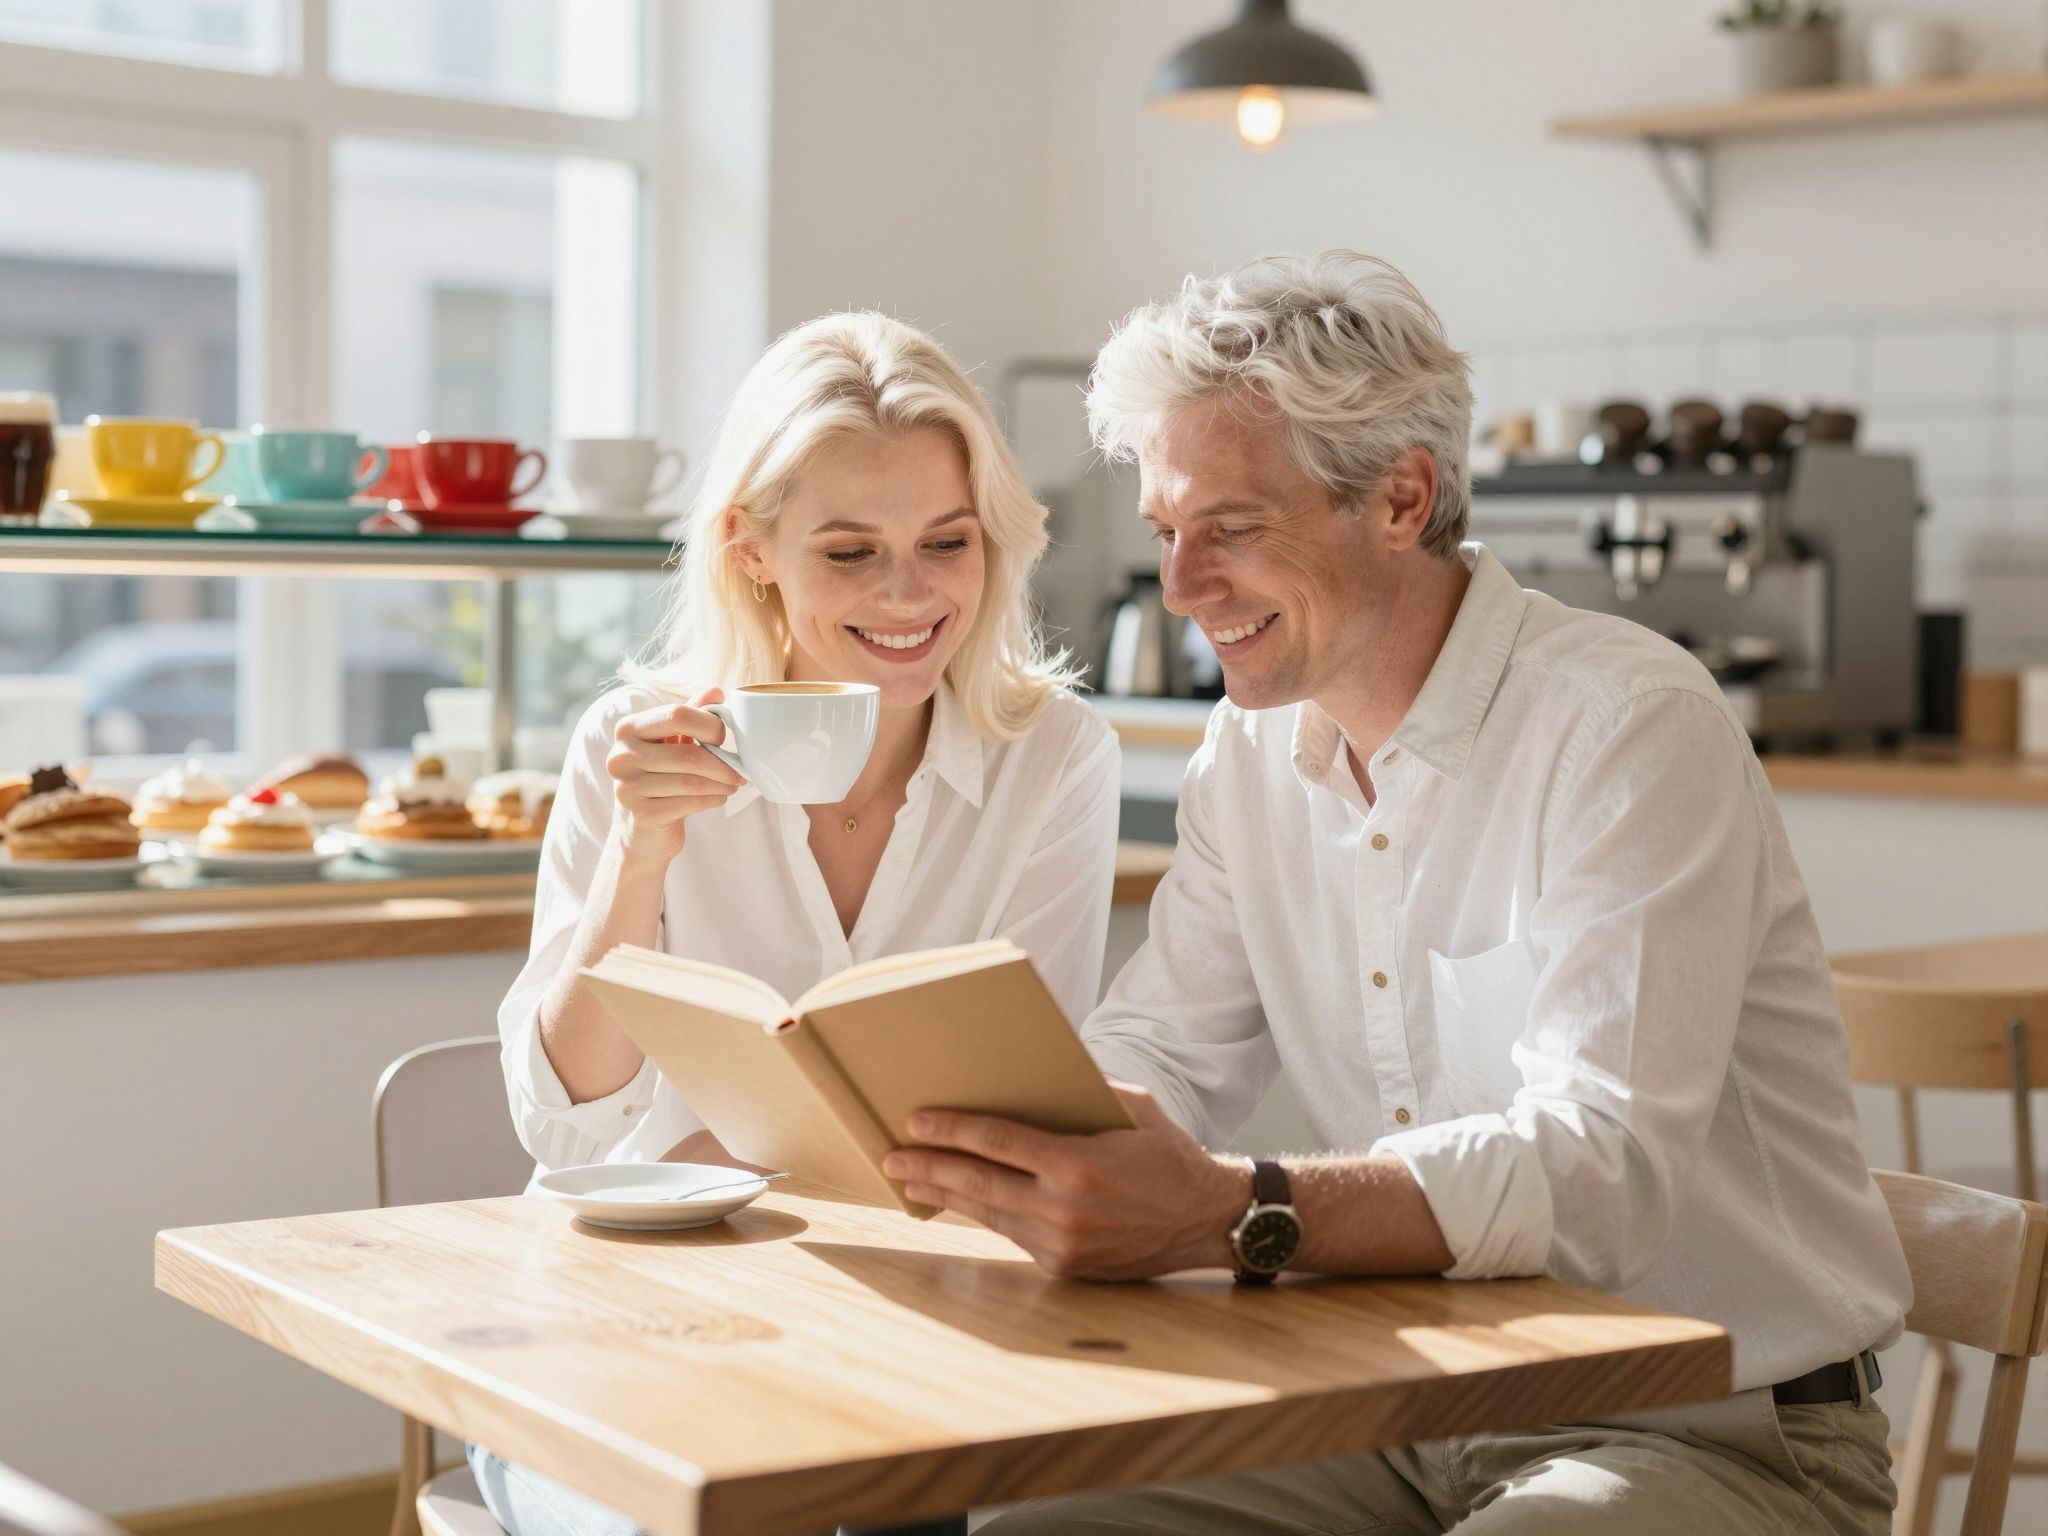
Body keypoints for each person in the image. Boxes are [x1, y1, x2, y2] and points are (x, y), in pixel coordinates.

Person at [883, 252, 1914, 1536]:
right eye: (1165, 532)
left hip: (1717, 1434)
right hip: (1408, 1406)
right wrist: (1012, 1138)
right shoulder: (1250, 752)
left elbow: (1600, 1173)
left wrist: (1233, 1208)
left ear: (1398, 499)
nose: (1183, 587)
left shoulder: (1625, 726)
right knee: (1030, 1523)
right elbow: (1164, 1046)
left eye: (1233, 529)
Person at [473, 311, 1121, 1536]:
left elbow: (1024, 1107)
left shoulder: (1054, 758)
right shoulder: (637, 743)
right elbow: (563, 1119)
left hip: (921, 1320)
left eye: (947, 542)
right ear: (751, 549)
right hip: (633, 1315)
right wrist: (641, 848)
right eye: (848, 552)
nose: (908, 594)